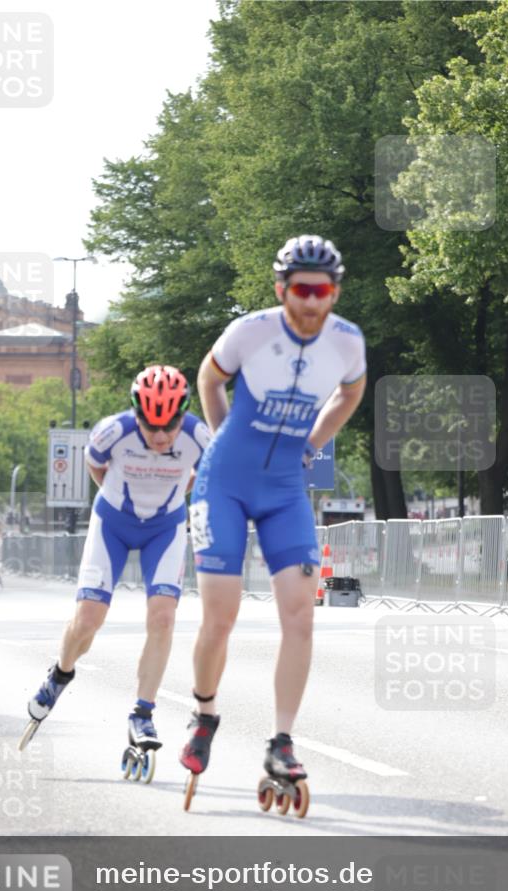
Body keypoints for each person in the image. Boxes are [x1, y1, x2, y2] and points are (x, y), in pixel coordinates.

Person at [181, 235, 367, 807]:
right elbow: (209, 378)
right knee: (222, 616)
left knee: (300, 617)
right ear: (281, 288)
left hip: (286, 486)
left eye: (325, 291)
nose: (313, 302)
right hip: (226, 484)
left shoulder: (347, 341)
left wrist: (313, 444)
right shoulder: (251, 331)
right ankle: (205, 711)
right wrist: (217, 443)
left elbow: (352, 393)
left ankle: (282, 741)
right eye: (303, 290)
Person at [21, 365, 211, 769]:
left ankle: (142, 713)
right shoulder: (112, 431)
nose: (160, 436)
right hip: (114, 523)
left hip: (166, 526)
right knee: (89, 619)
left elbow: (206, 476)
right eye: (150, 425)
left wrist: (175, 491)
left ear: (184, 415)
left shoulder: (199, 437)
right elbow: (96, 465)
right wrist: (117, 495)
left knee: (163, 618)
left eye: (170, 425)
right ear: (135, 414)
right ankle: (60, 673)